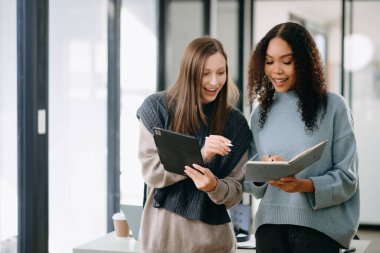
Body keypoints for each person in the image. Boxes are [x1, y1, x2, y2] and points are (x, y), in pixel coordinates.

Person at [244, 22, 359, 253]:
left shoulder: (333, 106)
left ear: (305, 62)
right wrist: (263, 172)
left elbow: (348, 179)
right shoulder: (260, 113)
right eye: (269, 61)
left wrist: (303, 185)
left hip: (318, 231)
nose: (276, 70)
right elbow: (252, 185)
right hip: (269, 229)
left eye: (287, 61)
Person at [136, 36, 252, 253]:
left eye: (221, 72)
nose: (215, 82)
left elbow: (236, 190)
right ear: (189, 73)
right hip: (161, 240)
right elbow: (151, 171)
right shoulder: (157, 109)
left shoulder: (235, 123)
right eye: (205, 73)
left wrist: (214, 186)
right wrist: (199, 157)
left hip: (214, 244)